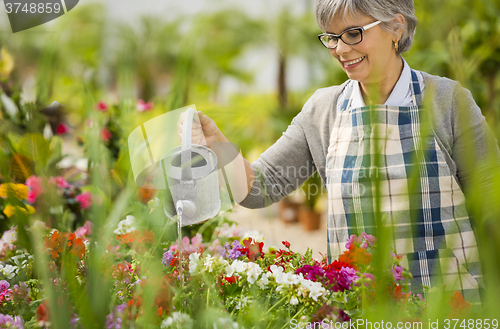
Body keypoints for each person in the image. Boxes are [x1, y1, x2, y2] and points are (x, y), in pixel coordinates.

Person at [178, 0, 500, 306]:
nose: (341, 50)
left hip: (453, 304)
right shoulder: (323, 111)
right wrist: (216, 140)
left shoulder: (447, 101)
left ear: (396, 28)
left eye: (353, 33)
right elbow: (259, 187)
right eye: (332, 38)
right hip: (363, 305)